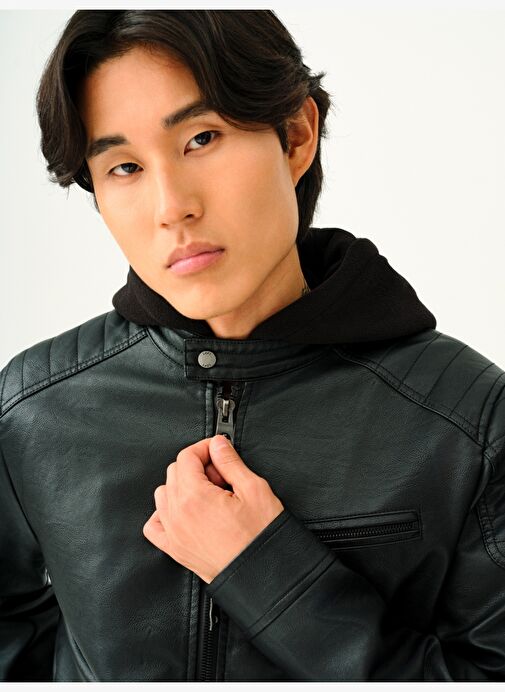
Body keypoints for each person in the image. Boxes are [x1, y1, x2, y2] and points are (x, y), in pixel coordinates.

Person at [0, 9, 504, 683]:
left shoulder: (467, 422)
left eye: (201, 138)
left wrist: (268, 575)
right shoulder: (33, 410)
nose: (171, 207)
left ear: (295, 135)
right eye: (124, 167)